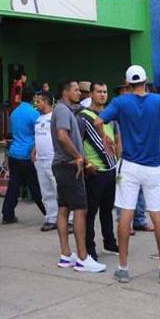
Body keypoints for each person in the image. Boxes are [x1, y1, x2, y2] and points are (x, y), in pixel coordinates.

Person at [98, 64, 160, 284]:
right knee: (157, 215)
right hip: (154, 166)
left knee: (126, 214)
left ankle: (123, 268)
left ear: (127, 83)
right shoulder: (159, 101)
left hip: (130, 165)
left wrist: (104, 138)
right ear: (146, 81)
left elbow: (98, 121)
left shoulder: (121, 102)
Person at [51, 79, 105, 273]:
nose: (79, 93)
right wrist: (79, 157)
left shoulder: (63, 110)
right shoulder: (63, 111)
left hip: (63, 165)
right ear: (66, 92)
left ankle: (66, 255)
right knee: (80, 210)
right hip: (69, 165)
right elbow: (62, 136)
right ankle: (83, 257)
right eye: (75, 90)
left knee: (64, 208)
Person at [79, 81, 119, 259]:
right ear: (91, 94)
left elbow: (118, 137)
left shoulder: (110, 115)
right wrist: (87, 163)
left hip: (111, 169)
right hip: (95, 172)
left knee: (107, 210)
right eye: (99, 92)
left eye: (105, 91)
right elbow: (76, 144)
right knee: (91, 212)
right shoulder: (83, 117)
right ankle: (89, 248)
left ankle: (110, 243)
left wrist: (119, 157)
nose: (102, 94)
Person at [1, 85, 45, 224]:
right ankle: (49, 214)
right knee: (35, 186)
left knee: (14, 185)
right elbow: (39, 133)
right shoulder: (34, 114)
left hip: (14, 153)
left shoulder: (15, 112)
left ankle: (7, 214)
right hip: (27, 155)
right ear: (33, 98)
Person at [33, 90, 59, 231]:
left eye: (39, 101)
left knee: (58, 190)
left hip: (53, 159)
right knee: (46, 192)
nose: (37, 103)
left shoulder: (55, 117)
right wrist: (34, 151)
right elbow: (38, 138)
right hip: (41, 160)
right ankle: (51, 218)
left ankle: (68, 219)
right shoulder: (38, 119)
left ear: (46, 101)